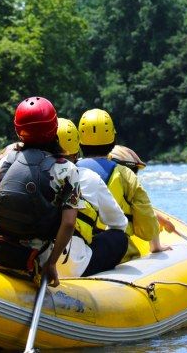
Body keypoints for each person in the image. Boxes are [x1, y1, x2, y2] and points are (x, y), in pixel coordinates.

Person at [0, 96, 80, 287]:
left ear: (18, 130)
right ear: (54, 127)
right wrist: (51, 263)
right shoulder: (67, 169)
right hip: (34, 255)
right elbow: (69, 223)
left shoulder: (8, 158)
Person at [76, 108, 171, 261]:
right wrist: (156, 247)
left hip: (77, 250)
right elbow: (146, 218)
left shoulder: (70, 170)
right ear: (113, 141)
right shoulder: (125, 174)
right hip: (118, 252)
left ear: (79, 142)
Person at [54, 118, 128, 277]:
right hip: (71, 265)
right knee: (120, 239)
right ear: (76, 151)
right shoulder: (89, 178)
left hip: (34, 257)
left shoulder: (32, 174)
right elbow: (119, 224)